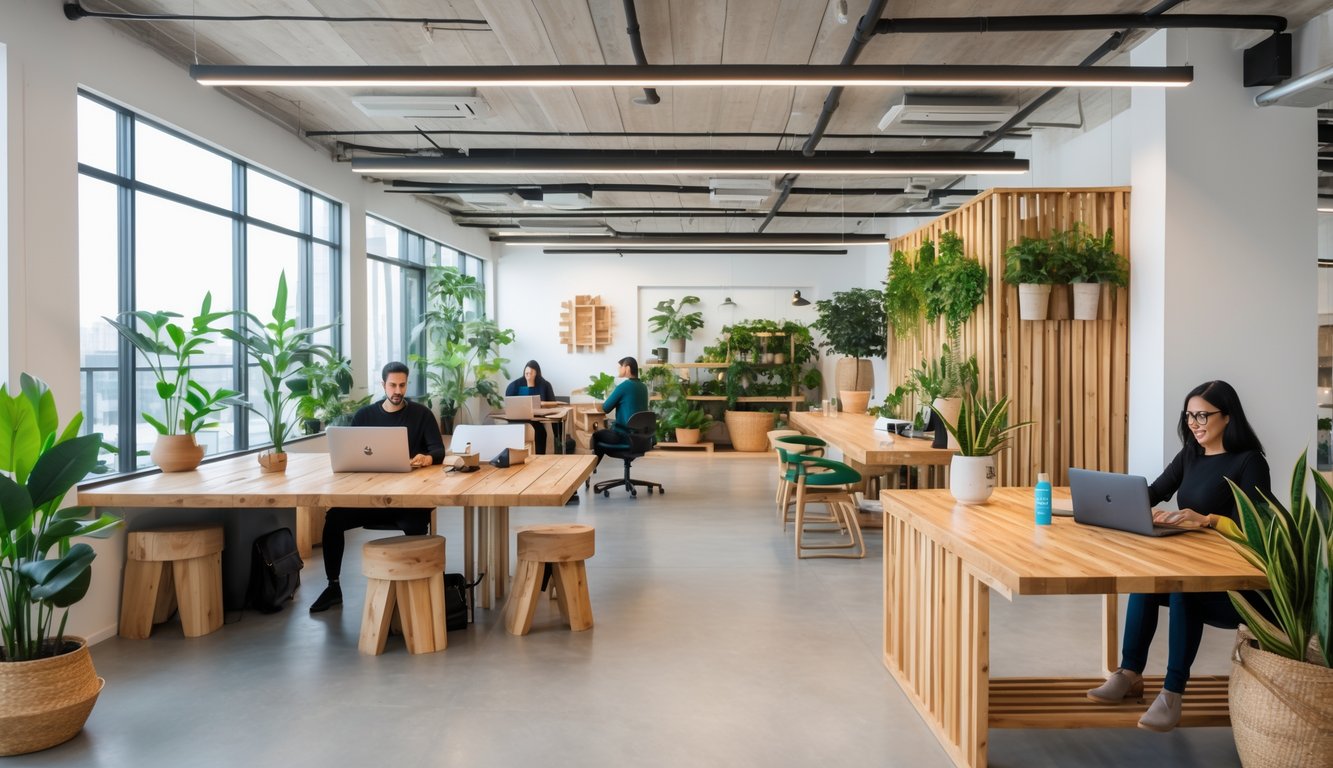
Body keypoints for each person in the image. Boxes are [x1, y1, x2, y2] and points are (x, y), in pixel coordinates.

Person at [1085, 380, 1270, 732]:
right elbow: (1155, 492)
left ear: (1227, 417)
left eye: (1203, 415)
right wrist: (1119, 506)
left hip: (1236, 585)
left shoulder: (1250, 462)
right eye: (1189, 416)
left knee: (1181, 588)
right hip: (1195, 566)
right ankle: (1129, 674)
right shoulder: (1191, 455)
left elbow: (1259, 527)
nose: (1195, 423)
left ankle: (1172, 693)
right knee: (1149, 580)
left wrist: (1209, 520)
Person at [309, 361, 445, 613]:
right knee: (334, 519)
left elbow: (438, 450)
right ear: (383, 385)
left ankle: (416, 588)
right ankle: (333, 586)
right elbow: (349, 453)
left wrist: (428, 458)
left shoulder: (421, 414)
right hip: (369, 499)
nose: (398, 390)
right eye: (392, 385)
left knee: (416, 524)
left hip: (408, 500)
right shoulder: (365, 416)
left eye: (402, 385)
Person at [590, 356, 650, 468]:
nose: (618, 369)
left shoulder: (623, 386)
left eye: (620, 367)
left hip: (624, 438)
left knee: (596, 436)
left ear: (627, 368)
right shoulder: (643, 387)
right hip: (641, 439)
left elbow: (606, 407)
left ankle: (591, 471)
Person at [505, 360, 558, 454]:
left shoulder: (545, 385)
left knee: (541, 433)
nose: (528, 375)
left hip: (536, 421)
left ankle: (540, 459)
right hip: (517, 421)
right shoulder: (515, 385)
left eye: (531, 373)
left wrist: (541, 403)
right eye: (527, 373)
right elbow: (509, 404)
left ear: (536, 373)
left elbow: (553, 404)